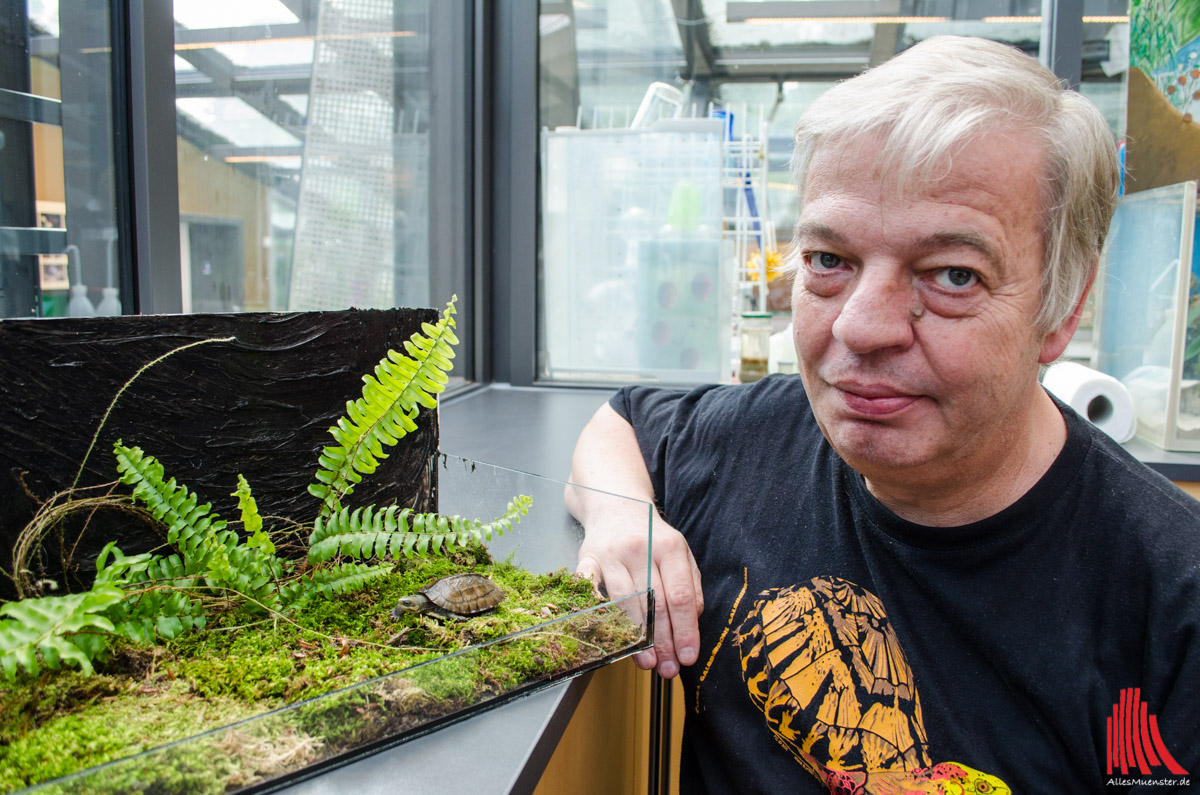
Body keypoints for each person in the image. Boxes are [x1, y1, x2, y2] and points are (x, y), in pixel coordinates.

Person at [566, 35, 1200, 794]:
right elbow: (623, 422)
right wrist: (621, 521)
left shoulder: (1170, 602)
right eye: (829, 260)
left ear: (1063, 307)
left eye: (953, 275)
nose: (861, 328)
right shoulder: (755, 437)